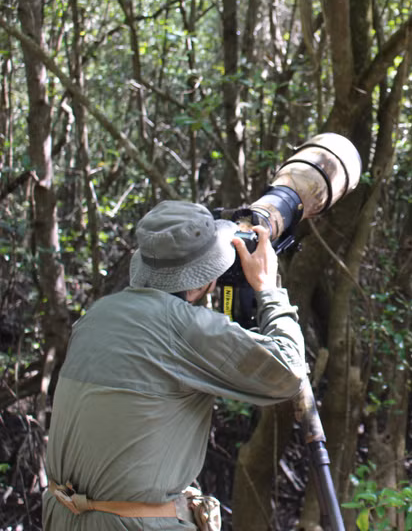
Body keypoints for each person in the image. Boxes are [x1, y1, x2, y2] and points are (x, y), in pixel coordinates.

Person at [42, 200, 307, 530]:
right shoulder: (186, 328)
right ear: (202, 280)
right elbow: (290, 372)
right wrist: (268, 289)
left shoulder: (96, 316)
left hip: (61, 515)